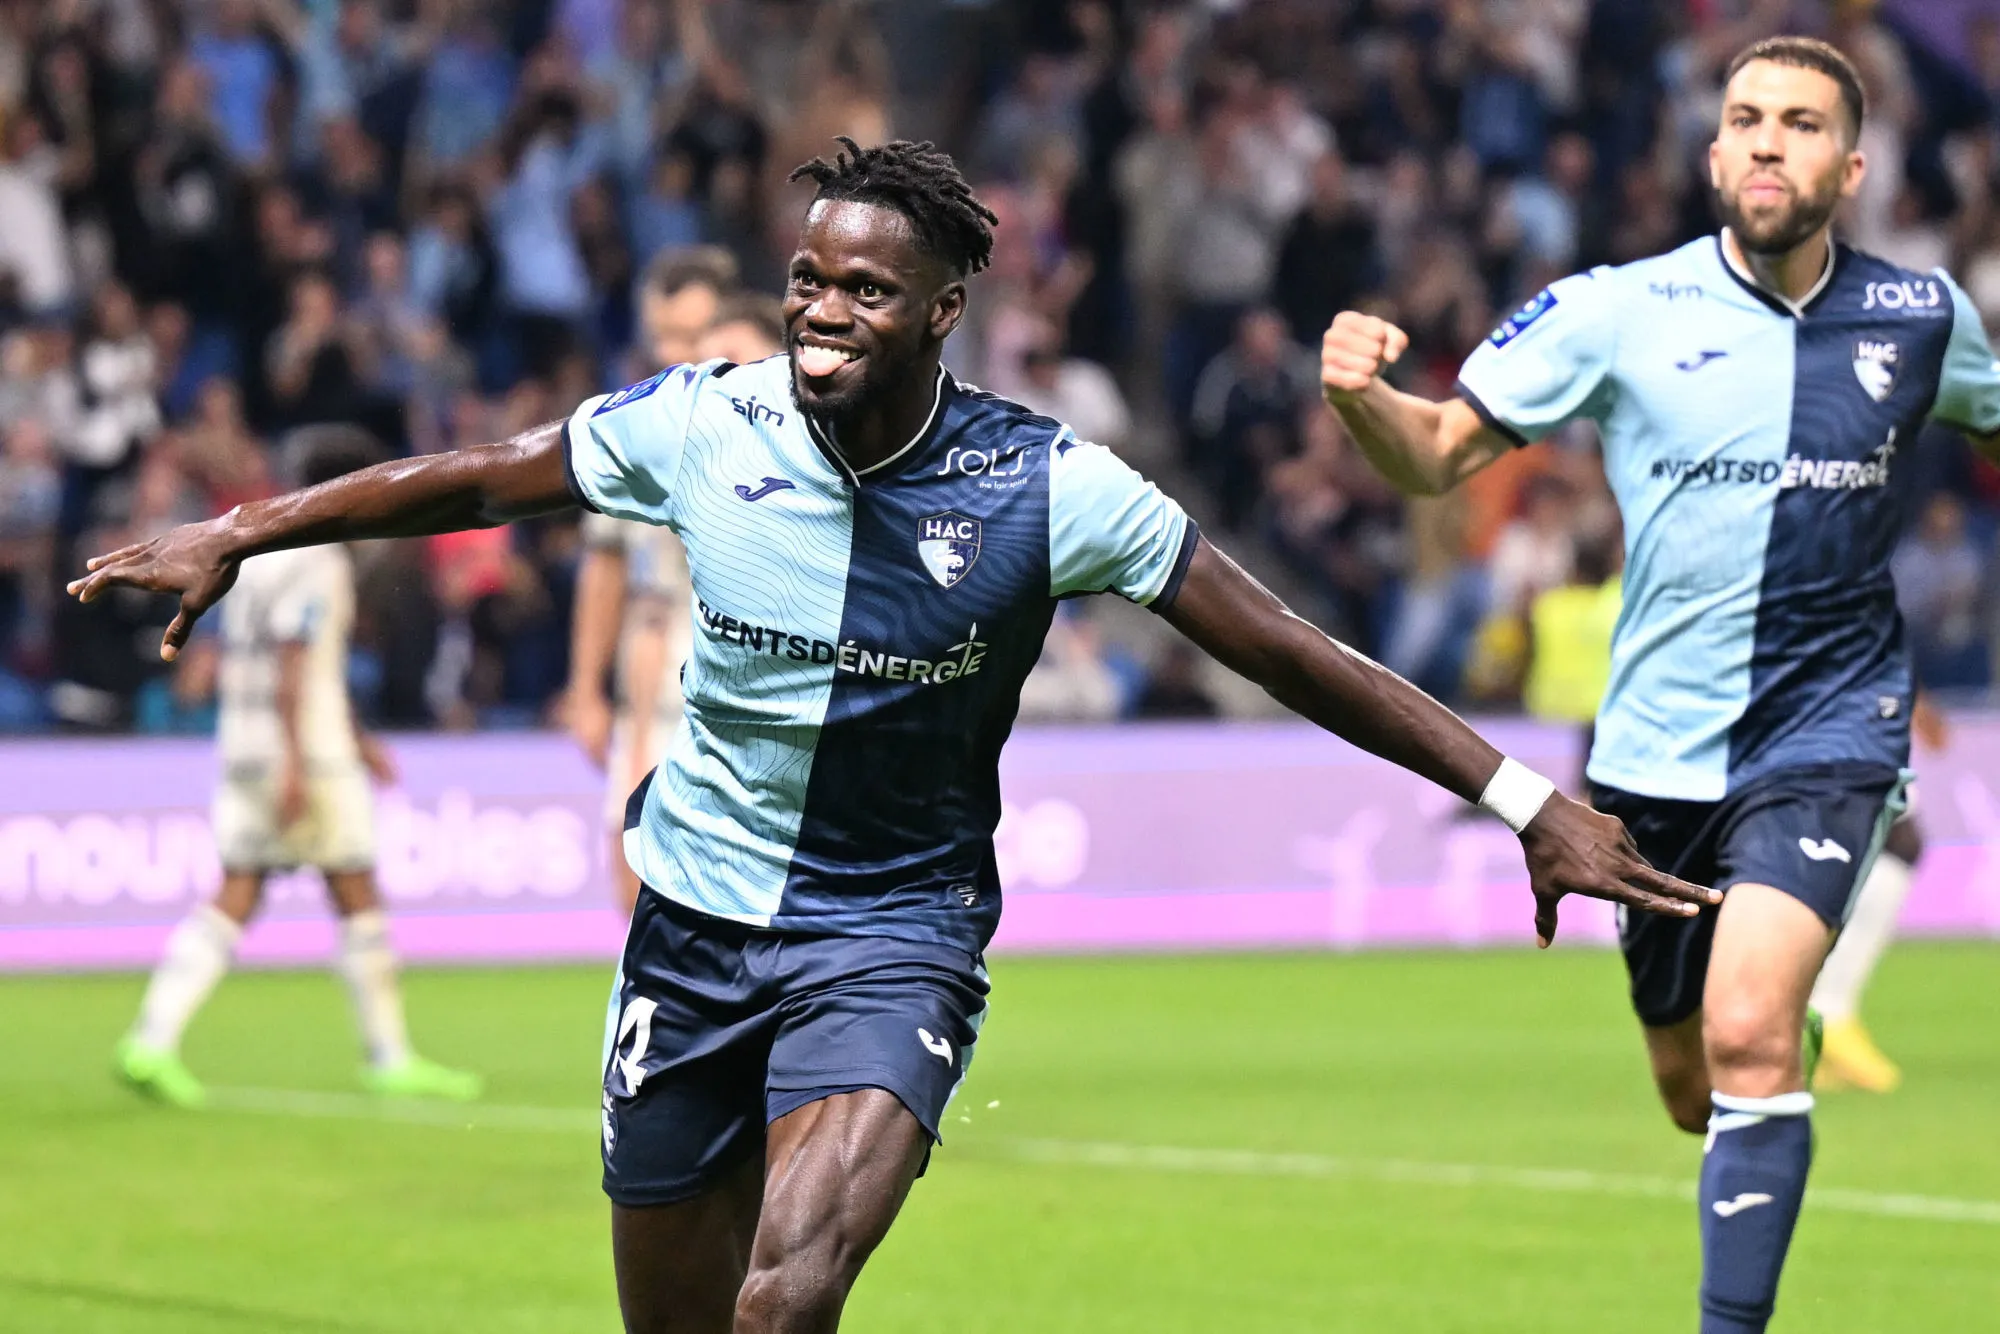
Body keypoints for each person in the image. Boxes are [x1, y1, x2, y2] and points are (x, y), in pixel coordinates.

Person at [73, 137, 1711, 1334]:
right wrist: (245, 527)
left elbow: (1284, 643)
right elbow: (474, 475)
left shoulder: (1049, 484)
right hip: (692, 928)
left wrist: (1517, 794)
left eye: (867, 287)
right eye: (808, 278)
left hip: (890, 938)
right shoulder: (703, 425)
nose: (824, 309)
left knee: (786, 1299)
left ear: (943, 310)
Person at [1318, 39, 2000, 1334]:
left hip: (1831, 727)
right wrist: (1363, 400)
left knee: (1750, 1030)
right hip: (1651, 757)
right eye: (1744, 118)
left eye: (1799, 124)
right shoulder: (1615, 309)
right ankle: (1761, 1055)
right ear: (1709, 151)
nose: (1764, 142)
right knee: (1699, 1086)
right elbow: (1437, 455)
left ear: (1850, 167)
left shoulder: (1923, 319)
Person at [113, 429, 481, 1110]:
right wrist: (298, 762)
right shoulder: (318, 562)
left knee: (239, 890)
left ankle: (149, 1040)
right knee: (356, 890)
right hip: (303, 756)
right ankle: (389, 1056)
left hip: (244, 743)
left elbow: (288, 665)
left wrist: (358, 737)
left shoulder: (259, 556)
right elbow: (293, 663)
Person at [563, 247, 739, 911]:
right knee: (632, 884)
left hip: (738, 679)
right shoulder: (632, 428)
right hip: (652, 674)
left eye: (691, 335)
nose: (676, 352)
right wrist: (584, 688)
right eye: (663, 335)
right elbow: (604, 564)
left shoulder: (776, 423)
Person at [1808, 693, 1948, 1092]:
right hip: (1864, 838)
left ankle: (1823, 1038)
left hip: (1878, 836)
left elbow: (1936, 734)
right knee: (1844, 947)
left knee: (1847, 947)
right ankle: (1828, 1023)